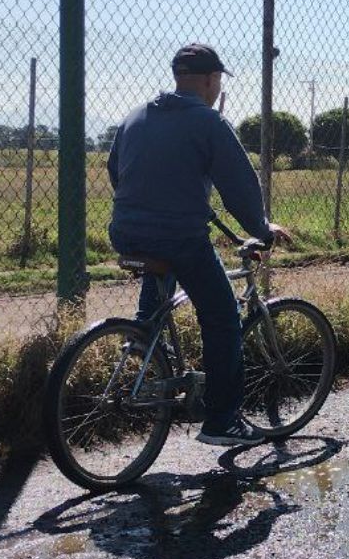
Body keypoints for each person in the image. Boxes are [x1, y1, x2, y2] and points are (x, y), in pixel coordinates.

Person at [107, 43, 292, 446]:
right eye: (217, 81)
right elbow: (239, 187)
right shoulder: (209, 122)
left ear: (178, 75)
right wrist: (260, 228)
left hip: (124, 230)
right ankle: (222, 420)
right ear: (211, 80)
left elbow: (115, 172)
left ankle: (145, 346)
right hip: (177, 236)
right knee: (223, 316)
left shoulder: (135, 115)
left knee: (162, 268)